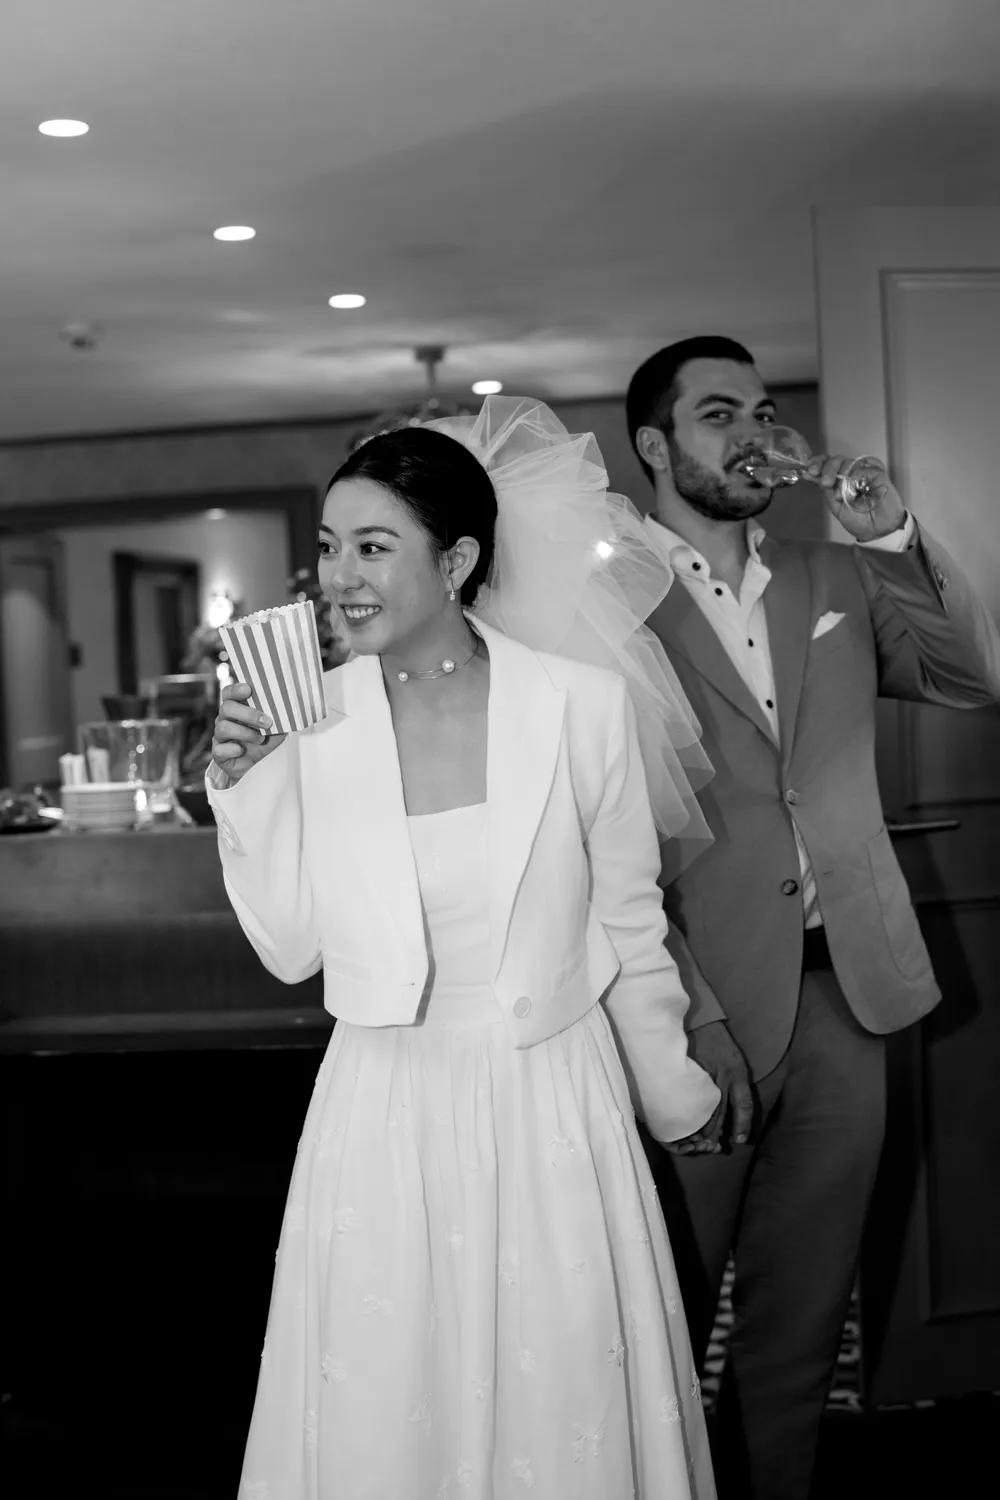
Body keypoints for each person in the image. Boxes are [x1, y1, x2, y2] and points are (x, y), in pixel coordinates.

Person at [208, 397, 724, 1499]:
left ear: (457, 561)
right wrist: (243, 787)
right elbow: (292, 949)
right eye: (330, 546)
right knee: (388, 1407)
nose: (338, 576)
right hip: (382, 1105)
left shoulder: (581, 708)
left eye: (373, 546)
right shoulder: (313, 720)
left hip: (551, 1101)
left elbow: (628, 922)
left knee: (567, 1399)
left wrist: (673, 1087)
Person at [625, 336, 1000, 1500]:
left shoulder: (832, 572)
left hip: (850, 987)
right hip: (695, 1001)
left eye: (762, 409)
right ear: (655, 444)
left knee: (801, 1319)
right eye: (717, 413)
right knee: (661, 1320)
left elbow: (960, 676)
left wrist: (885, 534)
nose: (753, 432)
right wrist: (679, 1014)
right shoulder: (600, 608)